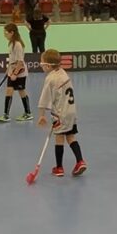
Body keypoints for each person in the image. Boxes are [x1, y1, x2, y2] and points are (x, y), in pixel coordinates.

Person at [37, 49, 87, 178]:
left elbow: (44, 99)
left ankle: (59, 168)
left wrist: (41, 115)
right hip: (71, 111)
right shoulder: (64, 73)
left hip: (60, 113)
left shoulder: (50, 79)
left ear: (48, 66)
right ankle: (80, 161)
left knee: (59, 138)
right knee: (70, 137)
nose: (41, 66)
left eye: (42, 64)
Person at [0, 22, 32, 123]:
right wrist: (8, 70)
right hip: (12, 71)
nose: (5, 35)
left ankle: (28, 113)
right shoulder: (11, 44)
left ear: (12, 32)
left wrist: (15, 74)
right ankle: (6, 115)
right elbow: (12, 60)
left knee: (22, 91)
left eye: (6, 33)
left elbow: (20, 62)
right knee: (9, 91)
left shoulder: (18, 45)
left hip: (19, 72)